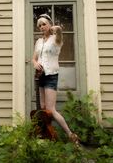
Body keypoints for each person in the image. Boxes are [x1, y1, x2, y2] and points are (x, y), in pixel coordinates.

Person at [31, 14, 79, 144]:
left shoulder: (56, 39)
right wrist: (35, 63)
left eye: (44, 24)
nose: (41, 27)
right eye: (39, 25)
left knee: (51, 109)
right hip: (39, 75)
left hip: (51, 75)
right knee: (43, 107)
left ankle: (70, 135)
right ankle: (48, 134)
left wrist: (55, 28)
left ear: (49, 24)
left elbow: (59, 32)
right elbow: (34, 58)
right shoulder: (39, 42)